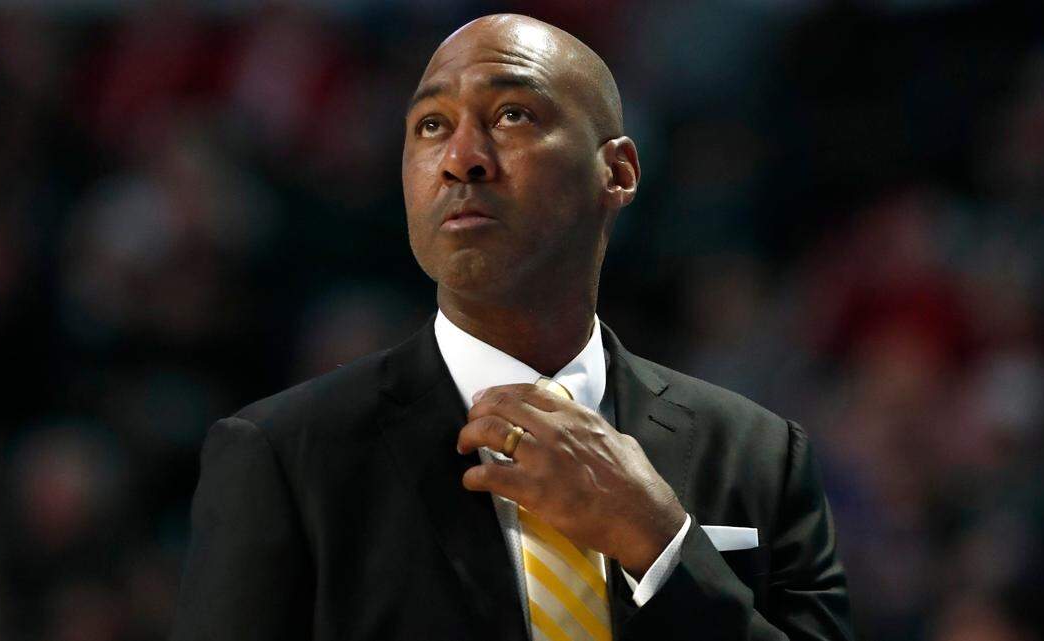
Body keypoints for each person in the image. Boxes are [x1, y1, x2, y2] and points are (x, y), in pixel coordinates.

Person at [171, 13, 852, 641]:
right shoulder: (283, 458)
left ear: (617, 171)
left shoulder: (762, 454)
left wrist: (662, 543)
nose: (461, 156)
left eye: (511, 114)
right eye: (431, 125)